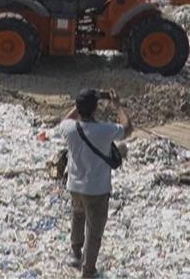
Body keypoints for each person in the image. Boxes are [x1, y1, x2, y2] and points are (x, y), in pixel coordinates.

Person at [59, 89, 133, 278]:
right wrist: (117, 106)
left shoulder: (69, 129)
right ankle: (88, 271)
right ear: (94, 109)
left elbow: (65, 120)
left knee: (77, 216)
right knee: (94, 230)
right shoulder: (104, 130)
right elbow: (128, 128)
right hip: (97, 190)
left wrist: (81, 103)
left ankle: (75, 254)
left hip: (74, 186)